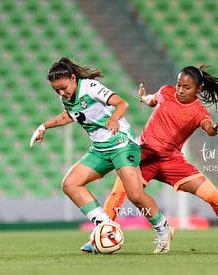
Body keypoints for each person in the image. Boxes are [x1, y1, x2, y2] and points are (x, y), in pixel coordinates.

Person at [101, 65, 218, 252]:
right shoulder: (166, 91)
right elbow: (152, 100)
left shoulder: (199, 111)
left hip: (171, 161)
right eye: (179, 84)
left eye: (186, 87)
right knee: (118, 194)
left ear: (199, 89)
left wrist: (214, 129)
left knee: (214, 196)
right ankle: (101, 236)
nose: (180, 90)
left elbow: (208, 127)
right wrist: (143, 98)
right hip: (142, 155)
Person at [30, 57, 173, 253]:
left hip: (122, 143)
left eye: (63, 87)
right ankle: (106, 227)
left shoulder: (89, 86)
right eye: (57, 90)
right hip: (100, 149)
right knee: (70, 184)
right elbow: (70, 115)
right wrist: (44, 126)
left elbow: (121, 103)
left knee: (136, 195)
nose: (62, 92)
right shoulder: (65, 98)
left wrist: (114, 118)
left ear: (73, 77)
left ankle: (164, 230)